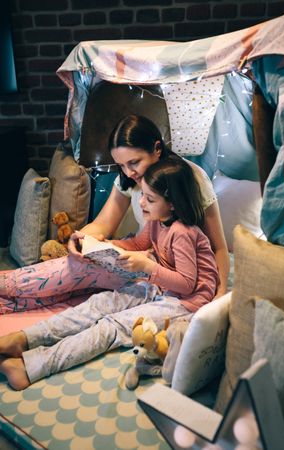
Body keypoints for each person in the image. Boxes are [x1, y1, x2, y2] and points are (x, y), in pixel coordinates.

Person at [0, 155, 219, 390]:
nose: (142, 203)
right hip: (161, 286)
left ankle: (33, 366)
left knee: (111, 326)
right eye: (142, 195)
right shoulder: (158, 220)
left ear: (173, 203)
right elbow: (136, 243)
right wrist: (102, 245)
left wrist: (147, 267)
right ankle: (25, 338)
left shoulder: (183, 232)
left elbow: (187, 283)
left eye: (150, 199)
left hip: (187, 301)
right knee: (98, 304)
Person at [0, 115, 229, 314]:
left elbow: (219, 247)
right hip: (142, 257)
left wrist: (219, 293)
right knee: (72, 274)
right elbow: (103, 224)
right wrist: (79, 239)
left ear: (157, 149)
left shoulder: (190, 178)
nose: (129, 172)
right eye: (121, 165)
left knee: (76, 270)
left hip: (168, 271)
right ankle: (6, 302)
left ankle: (5, 283)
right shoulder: (129, 180)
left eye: (134, 162)